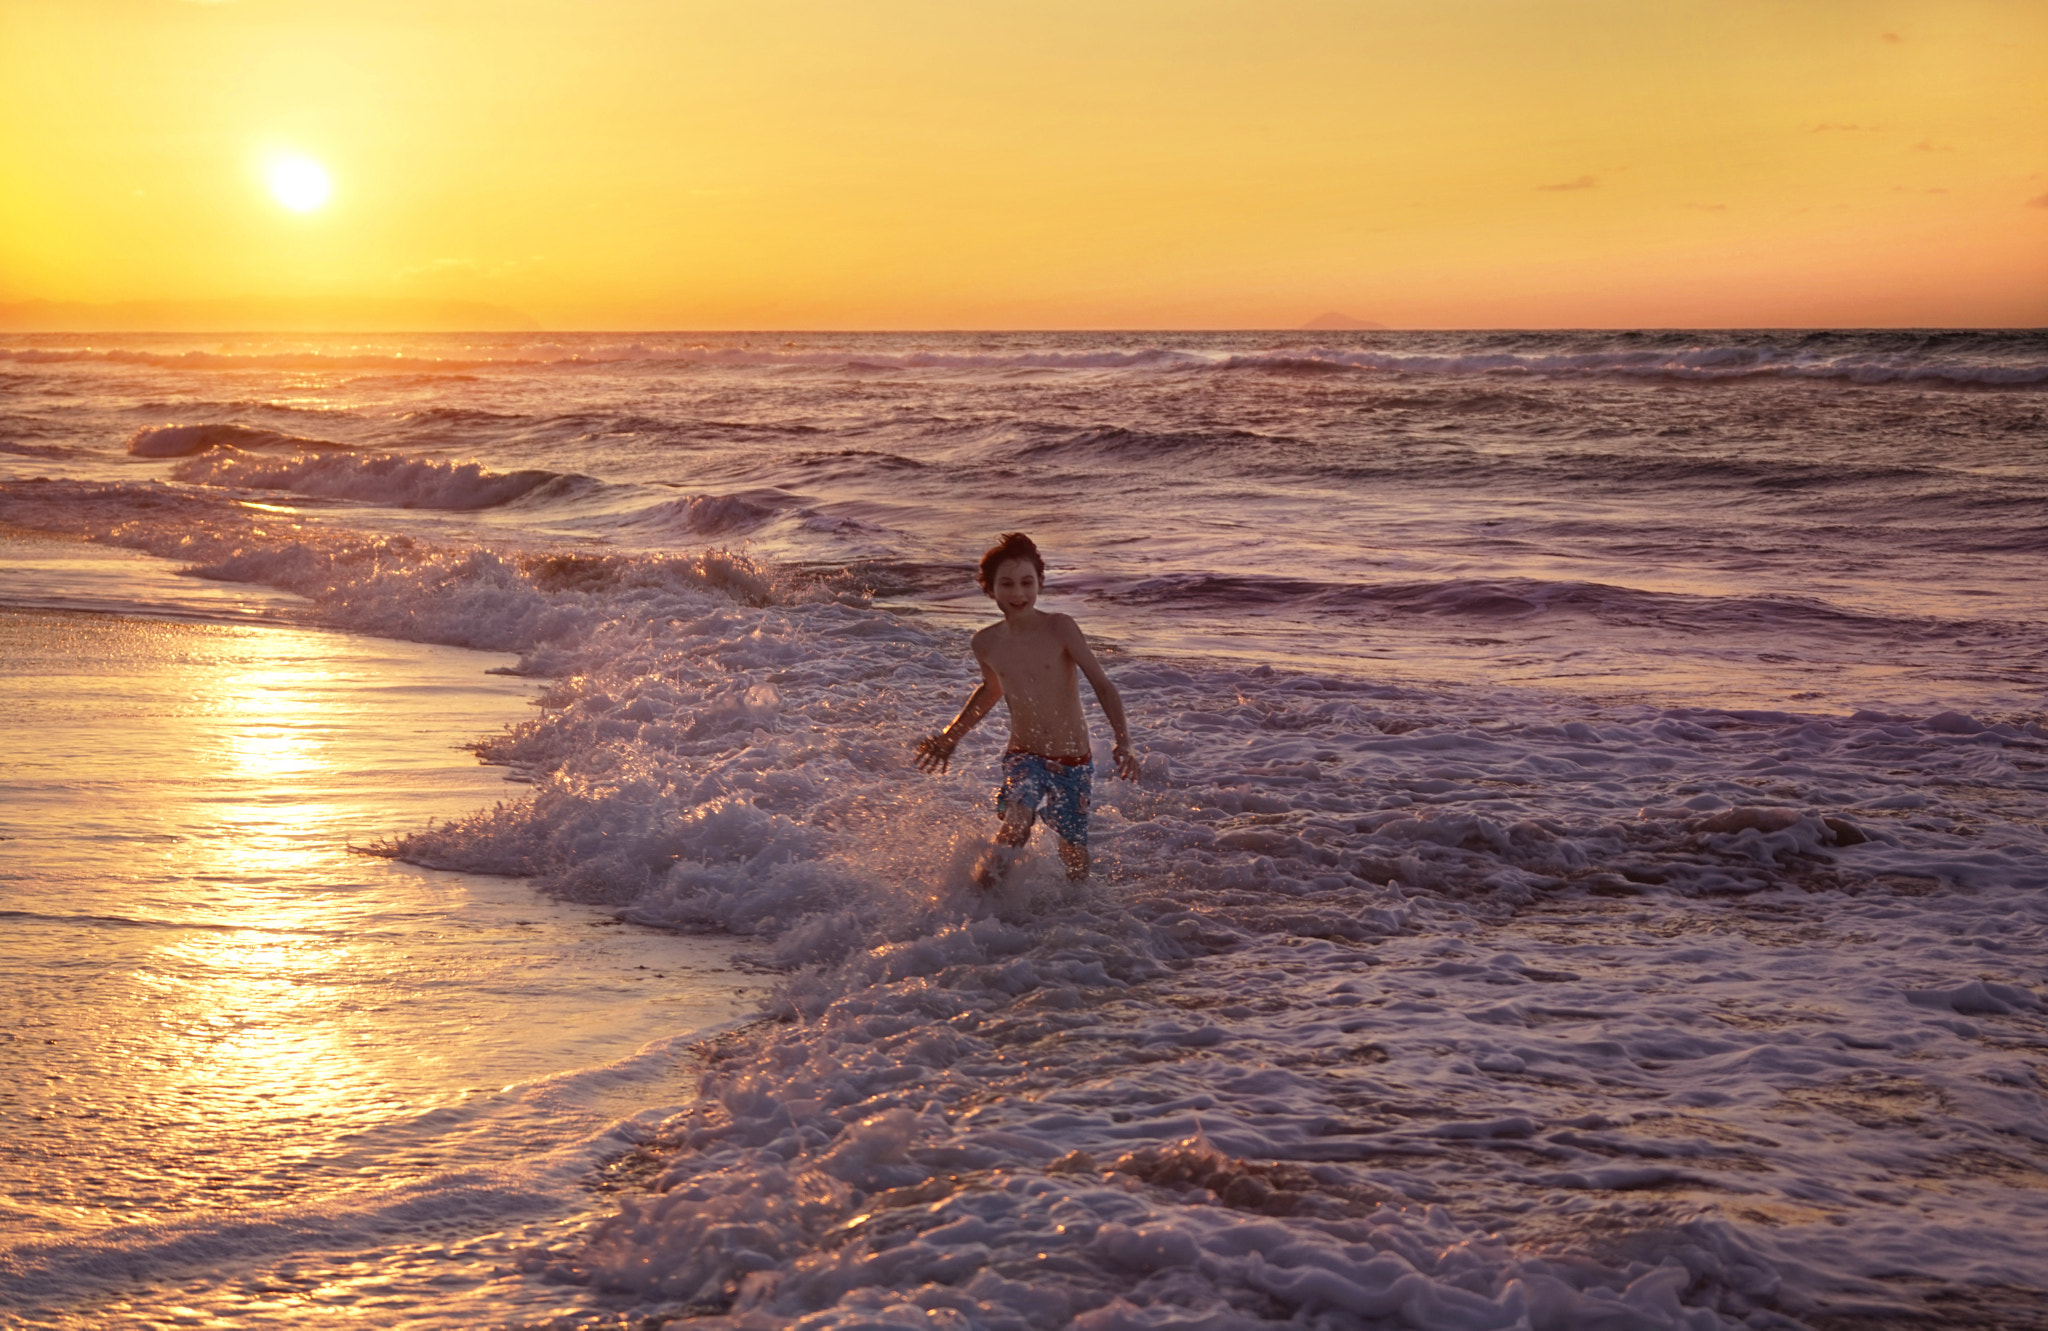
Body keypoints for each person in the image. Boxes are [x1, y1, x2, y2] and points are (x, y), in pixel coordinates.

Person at [914, 532, 1139, 882]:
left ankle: (1078, 914)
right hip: (1024, 754)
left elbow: (1103, 684)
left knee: (1073, 852)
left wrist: (1124, 740)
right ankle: (978, 902)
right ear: (990, 589)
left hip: (1073, 761)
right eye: (1006, 584)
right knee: (1016, 826)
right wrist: (951, 737)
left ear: (1040, 584)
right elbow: (991, 691)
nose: (1018, 593)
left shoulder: (1059, 627)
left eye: (1026, 582)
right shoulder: (986, 642)